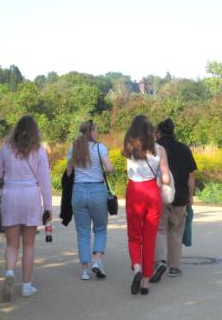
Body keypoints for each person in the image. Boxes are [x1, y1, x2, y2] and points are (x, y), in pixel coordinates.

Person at [0, 115, 53, 302]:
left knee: (12, 245)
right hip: (30, 197)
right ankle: (26, 286)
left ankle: (10, 272)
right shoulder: (39, 151)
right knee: (29, 245)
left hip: (10, 195)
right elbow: (45, 181)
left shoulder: (5, 149)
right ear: (35, 132)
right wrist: (48, 208)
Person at [123, 115, 171, 295]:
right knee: (149, 237)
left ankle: (137, 269)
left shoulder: (129, 148)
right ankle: (145, 282)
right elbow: (165, 178)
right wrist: (159, 176)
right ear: (151, 131)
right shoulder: (159, 149)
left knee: (134, 235)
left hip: (134, 191)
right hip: (152, 192)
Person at [151, 118, 197, 282]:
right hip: (181, 196)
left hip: (160, 195)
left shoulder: (155, 149)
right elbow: (191, 175)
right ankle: (174, 267)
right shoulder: (184, 148)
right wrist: (191, 196)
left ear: (159, 132)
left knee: (160, 229)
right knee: (176, 231)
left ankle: (160, 262)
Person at [67, 120, 113, 280]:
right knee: (100, 228)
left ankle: (85, 271)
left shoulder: (73, 148)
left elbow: (68, 172)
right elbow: (109, 168)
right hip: (97, 191)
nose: (97, 133)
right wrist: (101, 174)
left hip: (78, 191)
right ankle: (98, 261)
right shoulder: (100, 147)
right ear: (91, 132)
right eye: (96, 131)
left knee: (83, 232)